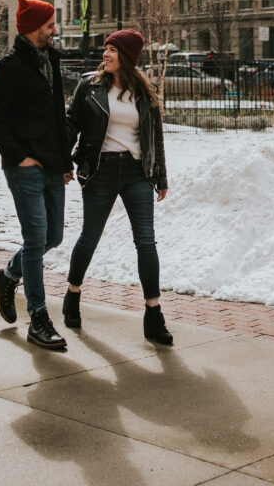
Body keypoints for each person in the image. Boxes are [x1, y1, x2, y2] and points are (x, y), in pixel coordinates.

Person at [63, 29, 173, 346]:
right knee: (90, 236)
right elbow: (72, 124)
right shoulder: (91, 86)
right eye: (105, 48)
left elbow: (156, 137)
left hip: (138, 172)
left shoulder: (144, 91)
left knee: (146, 241)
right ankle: (73, 293)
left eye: (112, 50)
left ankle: (153, 313)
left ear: (126, 57)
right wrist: (62, 163)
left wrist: (160, 176)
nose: (105, 54)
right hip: (101, 170)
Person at [0, 0, 73, 351]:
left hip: (51, 164)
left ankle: (6, 277)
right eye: (50, 25)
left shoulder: (50, 59)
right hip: (25, 169)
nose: (55, 30)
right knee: (36, 240)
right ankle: (38, 318)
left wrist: (65, 163)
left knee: (53, 237)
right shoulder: (10, 69)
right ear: (35, 28)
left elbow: (56, 116)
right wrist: (18, 157)